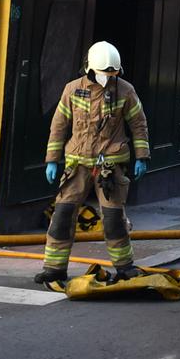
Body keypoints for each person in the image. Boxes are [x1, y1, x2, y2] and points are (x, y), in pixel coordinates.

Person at [36, 41, 152, 287]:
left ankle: (124, 267)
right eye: (104, 73)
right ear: (89, 69)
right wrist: (52, 161)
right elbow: (59, 126)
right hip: (77, 164)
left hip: (110, 165)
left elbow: (138, 124)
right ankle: (54, 268)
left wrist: (142, 155)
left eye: (112, 74)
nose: (108, 78)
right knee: (62, 217)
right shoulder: (72, 90)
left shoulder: (125, 91)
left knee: (113, 219)